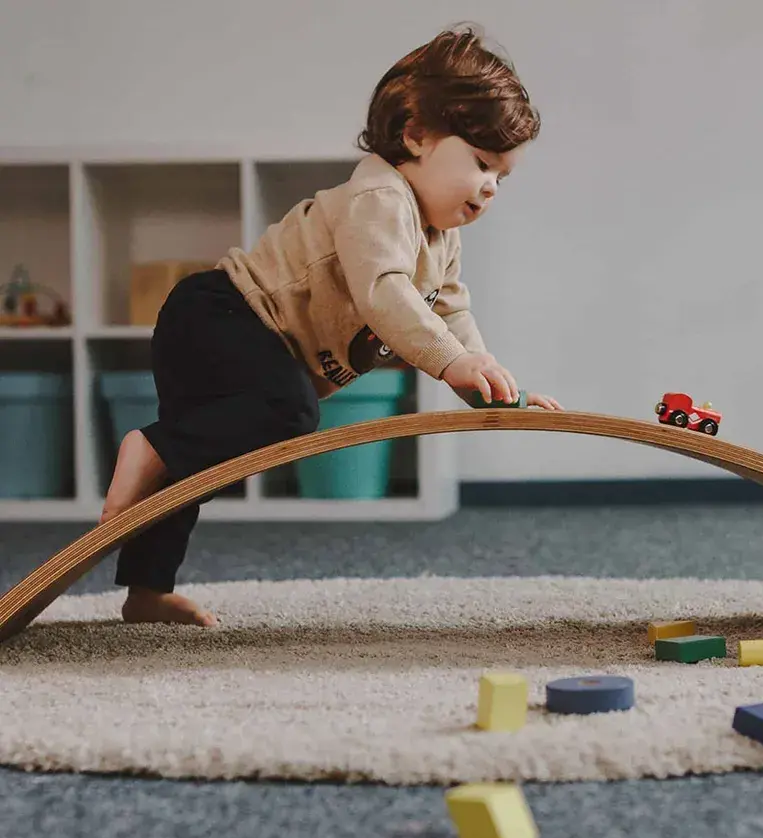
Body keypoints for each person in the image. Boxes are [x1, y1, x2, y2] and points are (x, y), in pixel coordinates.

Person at [99, 24, 563, 628]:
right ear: (417, 135)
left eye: (502, 176)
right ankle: (149, 446)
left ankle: (146, 591)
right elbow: (384, 293)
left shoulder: (437, 236)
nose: (490, 188)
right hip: (224, 315)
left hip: (232, 330)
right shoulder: (381, 197)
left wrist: (493, 384)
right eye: (480, 163)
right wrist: (453, 361)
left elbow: (449, 310)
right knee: (286, 413)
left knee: (199, 463)